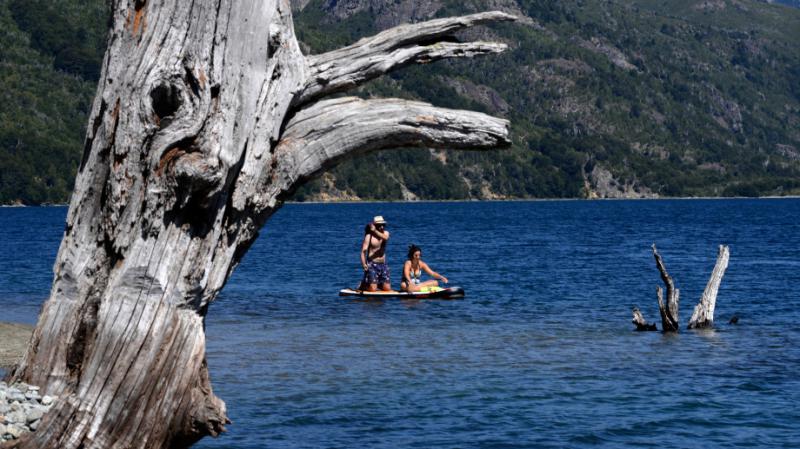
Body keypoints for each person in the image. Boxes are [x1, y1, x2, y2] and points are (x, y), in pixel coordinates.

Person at [360, 216, 391, 291]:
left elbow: (386, 238)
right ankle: (363, 285)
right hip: (372, 264)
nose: (381, 227)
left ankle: (378, 284)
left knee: (387, 289)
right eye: (379, 225)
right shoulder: (369, 236)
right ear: (375, 226)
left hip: (383, 264)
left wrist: (375, 231)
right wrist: (364, 264)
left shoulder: (386, 233)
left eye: (383, 225)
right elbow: (363, 251)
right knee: (373, 289)